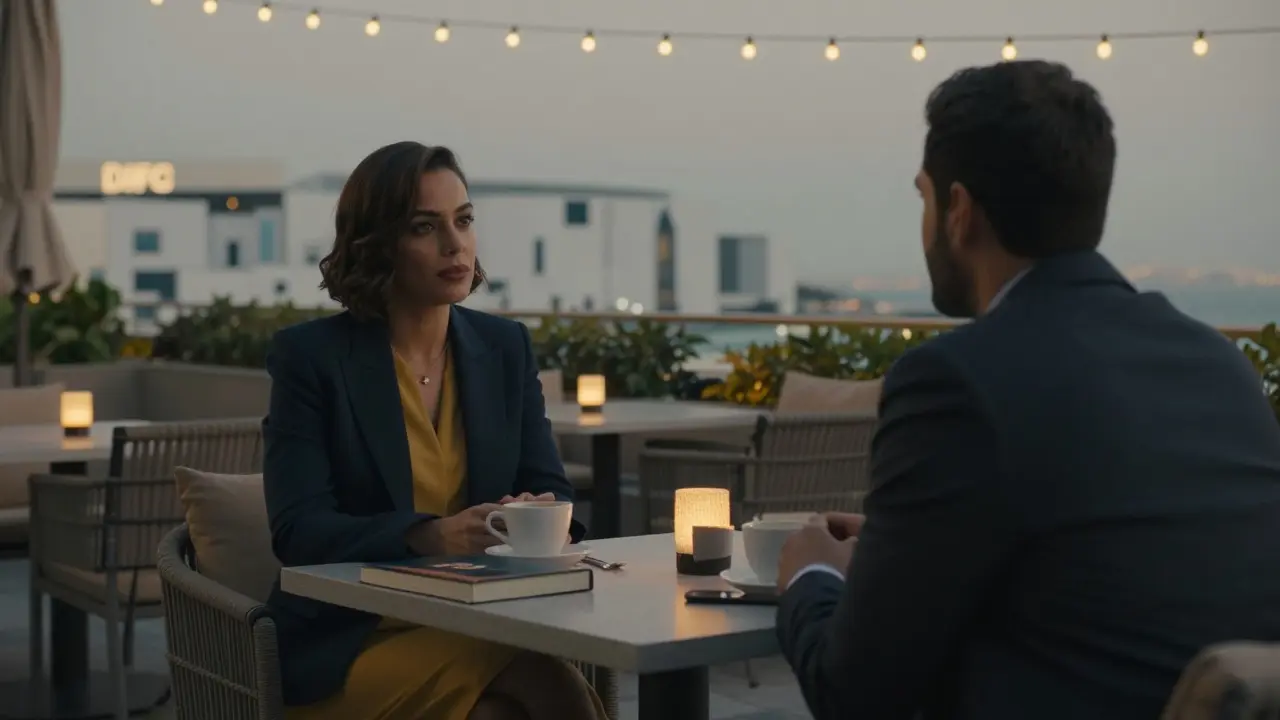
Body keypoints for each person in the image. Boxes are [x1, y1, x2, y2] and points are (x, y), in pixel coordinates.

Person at [774, 60, 1280, 720]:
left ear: (959, 211)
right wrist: (907, 549)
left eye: (925, 198)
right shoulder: (1220, 365)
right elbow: (1111, 576)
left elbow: (854, 695)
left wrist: (809, 575)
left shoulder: (956, 382)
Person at [262, 141, 607, 720]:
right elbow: (298, 531)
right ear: (378, 245)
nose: (455, 245)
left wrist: (533, 516)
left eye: (463, 221)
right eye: (425, 227)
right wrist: (427, 536)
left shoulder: (505, 348)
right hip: (351, 643)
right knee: (554, 685)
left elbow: (554, 491)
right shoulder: (313, 358)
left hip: (476, 618)